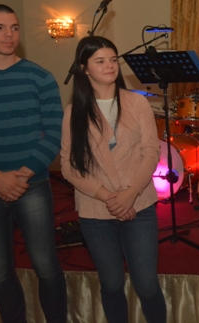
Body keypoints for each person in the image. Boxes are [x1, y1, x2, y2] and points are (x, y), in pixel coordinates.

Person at [60, 36, 166, 323]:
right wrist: (111, 198)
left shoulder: (137, 102)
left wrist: (130, 193)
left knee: (147, 284)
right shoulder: (73, 112)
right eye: (100, 61)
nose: (110, 66)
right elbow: (69, 167)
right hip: (96, 209)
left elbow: (151, 151)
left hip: (139, 205)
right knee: (111, 283)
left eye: (113, 59)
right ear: (84, 68)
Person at [0, 4, 67, 323]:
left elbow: (55, 131)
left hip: (33, 185)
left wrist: (23, 174)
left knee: (47, 266)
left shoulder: (40, 76)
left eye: (14, 27)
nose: (9, 34)